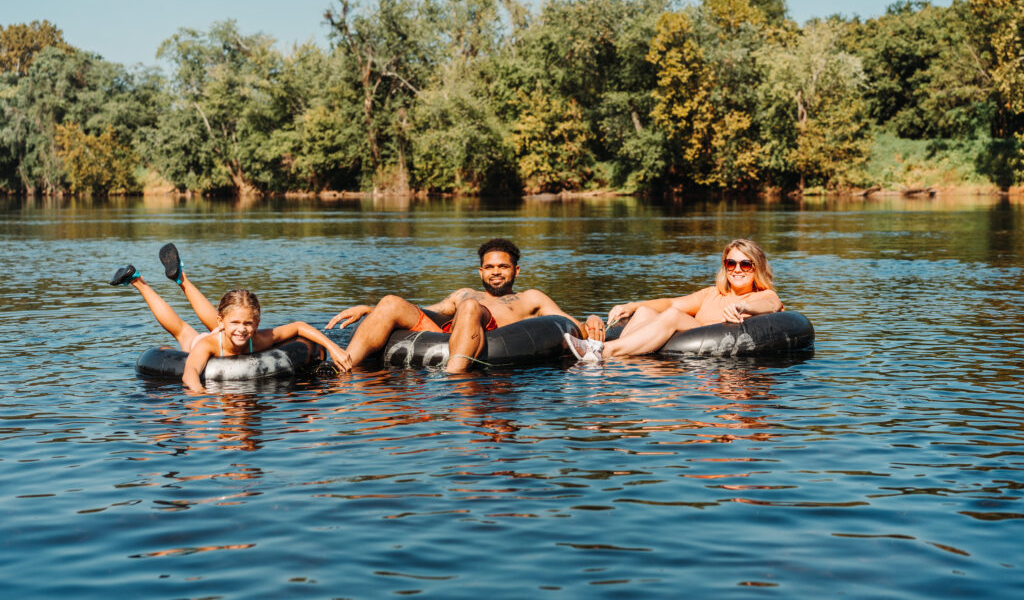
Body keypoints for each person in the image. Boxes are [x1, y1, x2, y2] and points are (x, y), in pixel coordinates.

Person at [327, 238, 605, 373]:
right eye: (489, 267)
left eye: (503, 267)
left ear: (516, 271)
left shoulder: (532, 297)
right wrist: (369, 309)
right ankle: (342, 368)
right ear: (481, 271)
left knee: (471, 307)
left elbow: (568, 326)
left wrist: (591, 318)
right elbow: (426, 311)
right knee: (390, 301)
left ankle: (453, 381)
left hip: (493, 340)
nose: (496, 272)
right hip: (450, 334)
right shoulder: (463, 293)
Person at [110, 243, 351, 393]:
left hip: (223, 336)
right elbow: (190, 372)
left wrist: (334, 348)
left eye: (249, 324)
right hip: (209, 344)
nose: (243, 329)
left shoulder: (257, 339)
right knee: (182, 331)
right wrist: (198, 395)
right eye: (236, 323)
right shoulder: (207, 344)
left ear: (257, 324)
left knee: (218, 322)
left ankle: (180, 277)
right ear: (221, 323)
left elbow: (298, 327)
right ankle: (138, 281)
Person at [565, 238, 784, 362]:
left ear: (756, 268)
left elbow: (771, 305)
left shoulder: (762, 295)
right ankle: (615, 360)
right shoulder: (711, 293)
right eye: (730, 263)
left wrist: (742, 305)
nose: (737, 269)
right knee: (645, 312)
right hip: (687, 342)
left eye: (745, 264)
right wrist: (630, 306)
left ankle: (604, 351)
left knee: (672, 316)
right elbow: (671, 303)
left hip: (713, 350)